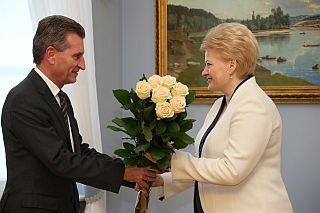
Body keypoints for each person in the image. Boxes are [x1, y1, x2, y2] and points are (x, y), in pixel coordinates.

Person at [0, 15, 156, 213]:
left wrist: (132, 172)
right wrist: (124, 172)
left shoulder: (60, 98)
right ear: (51, 54)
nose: (82, 65)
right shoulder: (23, 99)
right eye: (77, 56)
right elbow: (61, 161)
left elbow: (78, 152)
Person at [154, 23, 293, 212]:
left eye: (209, 64)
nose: (204, 71)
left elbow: (231, 170)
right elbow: (208, 164)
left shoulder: (253, 106)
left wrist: (173, 160)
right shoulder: (221, 104)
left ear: (231, 65)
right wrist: (163, 180)